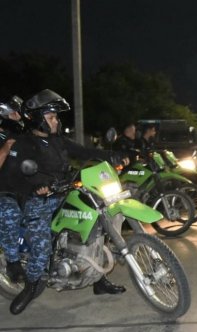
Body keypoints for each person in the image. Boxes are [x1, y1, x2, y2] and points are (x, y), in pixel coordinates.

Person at [9, 89, 129, 315]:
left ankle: (98, 280)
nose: (56, 121)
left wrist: (109, 156)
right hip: (38, 200)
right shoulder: (24, 144)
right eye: (51, 117)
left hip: (64, 192)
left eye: (55, 117)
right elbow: (16, 174)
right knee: (42, 245)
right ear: (38, 119)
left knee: (99, 222)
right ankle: (31, 286)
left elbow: (84, 151)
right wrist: (36, 185)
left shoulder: (58, 141)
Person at [0, 95, 30, 284]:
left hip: (23, 190)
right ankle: (12, 262)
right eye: (14, 113)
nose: (19, 117)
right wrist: (6, 147)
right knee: (10, 212)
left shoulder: (23, 137)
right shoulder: (5, 139)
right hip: (3, 193)